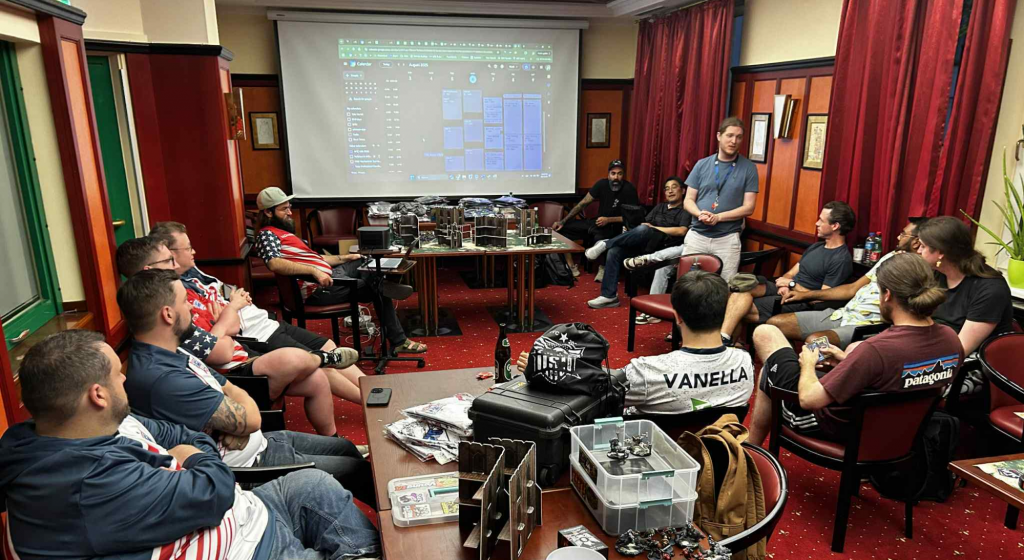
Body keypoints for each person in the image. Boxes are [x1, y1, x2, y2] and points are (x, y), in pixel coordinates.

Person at [0, 330, 380, 560]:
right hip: (249, 548)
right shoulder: (86, 483)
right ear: (98, 395)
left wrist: (190, 453)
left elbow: (184, 435)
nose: (126, 381)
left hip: (248, 513)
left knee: (316, 485)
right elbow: (216, 487)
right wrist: (195, 456)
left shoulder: (90, 426)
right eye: (118, 376)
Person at [118, 269, 378, 507]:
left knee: (346, 449)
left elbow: (230, 387)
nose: (191, 309)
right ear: (168, 314)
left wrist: (239, 421)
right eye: (185, 301)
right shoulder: (162, 377)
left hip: (259, 442)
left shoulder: (171, 350)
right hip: (251, 467)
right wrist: (243, 420)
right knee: (358, 471)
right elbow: (251, 418)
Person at [117, 237, 360, 431]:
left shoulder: (180, 294)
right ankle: (322, 358)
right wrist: (225, 319)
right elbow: (222, 351)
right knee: (293, 358)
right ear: (149, 270)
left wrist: (221, 324)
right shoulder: (166, 313)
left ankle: (334, 437)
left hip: (240, 355)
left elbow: (231, 326)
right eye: (168, 260)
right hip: (235, 373)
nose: (176, 264)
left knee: (317, 380)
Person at [748, 253, 963, 444]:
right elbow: (898, 377)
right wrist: (848, 361)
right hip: (901, 430)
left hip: (838, 426)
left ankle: (751, 449)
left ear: (887, 295)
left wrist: (808, 363)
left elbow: (808, 399)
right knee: (777, 360)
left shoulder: (876, 350)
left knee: (767, 341)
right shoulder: (951, 339)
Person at [148, 222, 367, 404]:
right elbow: (226, 330)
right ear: (170, 255)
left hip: (265, 321)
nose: (193, 252)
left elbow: (226, 295)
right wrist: (232, 307)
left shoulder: (192, 273)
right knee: (320, 365)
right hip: (257, 335)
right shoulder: (176, 294)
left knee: (328, 345)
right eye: (188, 248)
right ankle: (371, 403)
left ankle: (374, 389)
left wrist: (234, 300)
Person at [515, 271, 753, 415]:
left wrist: (540, 366)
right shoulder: (745, 362)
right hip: (720, 461)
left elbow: (590, 387)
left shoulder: (647, 371)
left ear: (677, 316)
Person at [253, 186, 427, 354]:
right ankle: (399, 339)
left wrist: (345, 257)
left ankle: (382, 284)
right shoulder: (267, 235)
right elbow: (274, 263)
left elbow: (318, 258)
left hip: (329, 277)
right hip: (319, 289)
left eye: (289, 207)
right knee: (374, 286)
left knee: (363, 261)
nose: (290, 213)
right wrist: (314, 271)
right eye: (284, 209)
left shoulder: (282, 233)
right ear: (268, 212)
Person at [624, 117, 759, 286]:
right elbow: (688, 200)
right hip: (697, 236)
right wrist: (699, 213)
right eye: (729, 135)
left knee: (724, 286)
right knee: (687, 285)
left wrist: (718, 217)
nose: (734, 141)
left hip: (727, 238)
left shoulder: (748, 168)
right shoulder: (702, 165)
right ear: (719, 136)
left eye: (738, 137)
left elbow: (749, 207)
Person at [769, 218, 925, 350]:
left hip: (866, 326)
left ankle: (819, 373)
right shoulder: (892, 256)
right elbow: (852, 289)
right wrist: (805, 295)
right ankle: (790, 369)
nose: (898, 237)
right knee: (774, 325)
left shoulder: (918, 270)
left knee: (815, 343)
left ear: (916, 242)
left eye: (903, 234)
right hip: (843, 314)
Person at [717, 201, 855, 341]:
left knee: (737, 306)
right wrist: (785, 284)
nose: (816, 223)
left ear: (835, 226)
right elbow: (790, 273)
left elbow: (821, 299)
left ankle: (725, 340)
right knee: (740, 289)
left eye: (821, 220)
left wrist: (792, 285)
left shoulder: (841, 259)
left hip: (799, 300)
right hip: (785, 289)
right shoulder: (816, 247)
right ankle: (727, 340)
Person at [583, 177, 691, 309]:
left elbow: (682, 231)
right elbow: (644, 223)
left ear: (683, 191)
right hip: (645, 245)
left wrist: (654, 228)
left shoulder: (686, 209)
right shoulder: (660, 207)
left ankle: (606, 243)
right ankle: (609, 296)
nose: (670, 191)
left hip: (662, 247)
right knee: (615, 251)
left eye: (674, 187)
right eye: (667, 189)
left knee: (644, 229)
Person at [915, 216, 1015, 356]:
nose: (918, 251)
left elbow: (960, 350)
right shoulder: (935, 274)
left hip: (970, 361)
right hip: (934, 345)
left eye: (923, 246)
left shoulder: (990, 289)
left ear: (941, 252)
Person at [553, 159, 640, 281]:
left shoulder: (629, 189)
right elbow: (583, 203)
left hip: (616, 226)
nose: (616, 177)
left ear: (623, 175)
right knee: (563, 229)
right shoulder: (601, 184)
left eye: (619, 174)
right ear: (608, 174)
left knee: (601, 239)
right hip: (597, 222)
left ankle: (603, 267)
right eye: (613, 173)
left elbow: (633, 217)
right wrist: (563, 221)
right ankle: (571, 266)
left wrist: (609, 220)